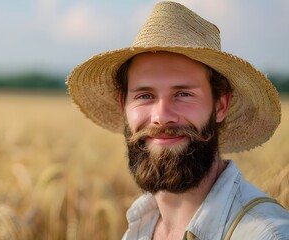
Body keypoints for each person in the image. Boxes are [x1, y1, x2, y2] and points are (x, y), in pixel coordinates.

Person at [67, 1, 289, 239]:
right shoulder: (140, 225)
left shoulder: (268, 234)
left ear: (220, 105)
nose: (161, 117)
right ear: (124, 106)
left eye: (183, 94)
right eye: (144, 96)